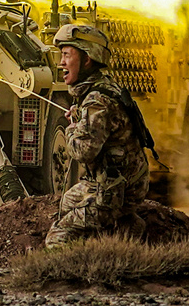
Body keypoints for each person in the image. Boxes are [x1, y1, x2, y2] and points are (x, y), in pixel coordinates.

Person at [45, 23, 150, 248]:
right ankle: (126, 226)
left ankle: (86, 263)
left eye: (67, 55)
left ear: (87, 59)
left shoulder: (97, 101)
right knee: (67, 203)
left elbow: (82, 152)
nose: (61, 63)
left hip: (116, 191)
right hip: (121, 183)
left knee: (57, 238)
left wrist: (72, 128)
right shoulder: (103, 89)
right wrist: (81, 119)